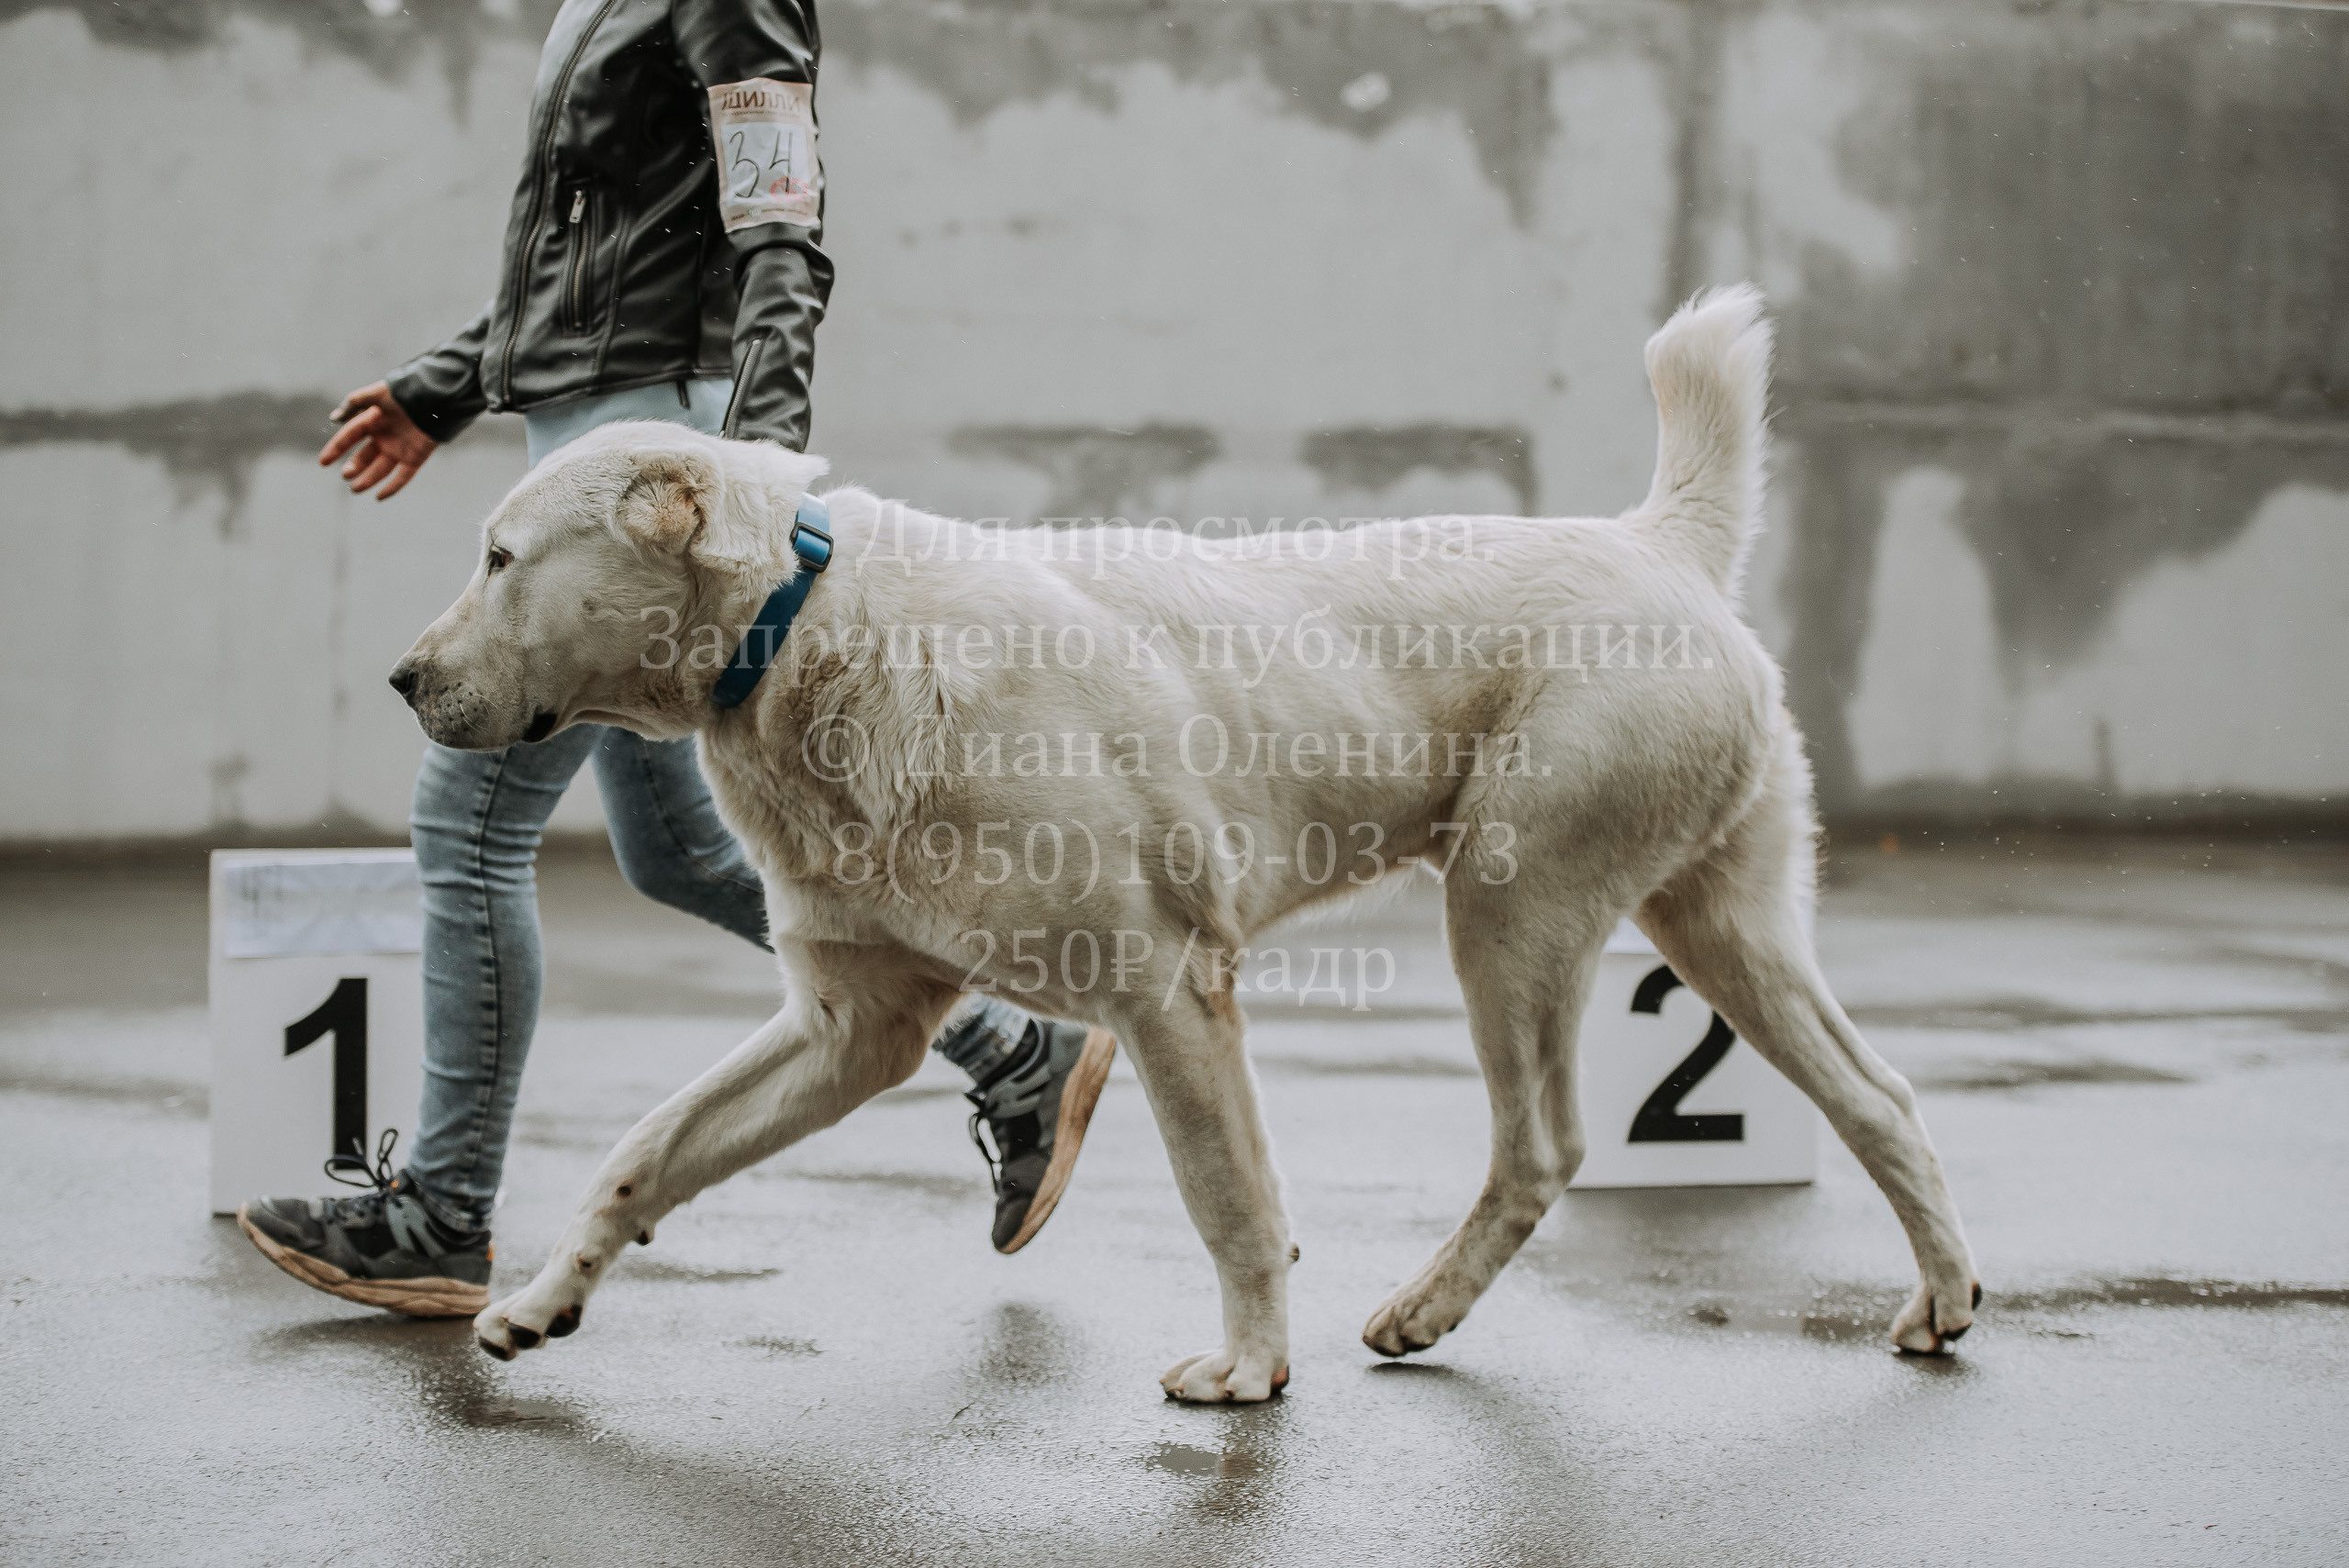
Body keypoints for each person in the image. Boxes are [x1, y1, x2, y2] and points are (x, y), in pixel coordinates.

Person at [236, 0, 1113, 1319]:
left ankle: (445, 1213)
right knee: (684, 849)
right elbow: (594, 259)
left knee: (466, 823)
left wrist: (749, 472)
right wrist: (451, 382)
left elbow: (779, 235)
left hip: (651, 480)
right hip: (600, 444)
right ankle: (1017, 1048)